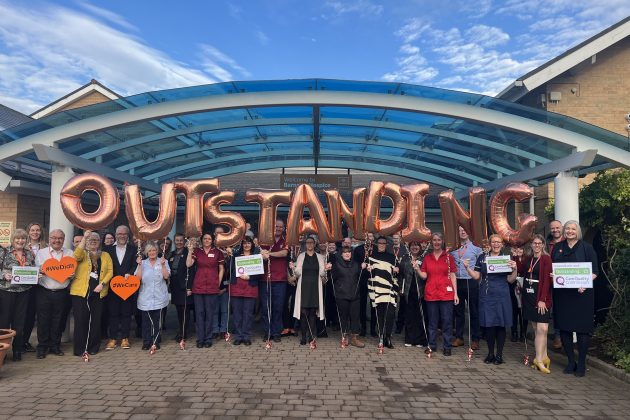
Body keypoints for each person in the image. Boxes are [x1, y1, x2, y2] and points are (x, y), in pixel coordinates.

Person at [551, 220, 599, 377]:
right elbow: (554, 269)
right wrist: (554, 275)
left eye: (573, 229)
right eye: (567, 229)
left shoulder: (587, 248)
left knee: (582, 330)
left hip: (582, 295)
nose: (570, 231)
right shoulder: (558, 248)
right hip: (563, 295)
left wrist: (584, 283)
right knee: (564, 327)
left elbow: (595, 271)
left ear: (577, 231)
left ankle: (582, 363)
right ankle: (571, 362)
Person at [464, 234, 518, 365]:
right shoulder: (482, 258)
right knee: (489, 325)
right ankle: (490, 353)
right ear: (490, 243)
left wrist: (515, 268)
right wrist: (467, 268)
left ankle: (499, 355)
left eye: (498, 242)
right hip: (486, 295)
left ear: (502, 244)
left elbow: (511, 279)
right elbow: (477, 276)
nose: (496, 244)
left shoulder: (507, 259)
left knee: (500, 324)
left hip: (502, 294)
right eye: (493, 242)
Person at [71, 231, 113, 356]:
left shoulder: (105, 255)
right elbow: (75, 257)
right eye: (91, 239)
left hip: (99, 292)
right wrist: (84, 238)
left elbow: (110, 271)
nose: (93, 241)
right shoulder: (82, 254)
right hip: (81, 292)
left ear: (100, 242)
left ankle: (93, 347)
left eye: (96, 240)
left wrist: (103, 284)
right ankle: (80, 348)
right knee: (80, 320)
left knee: (95, 320)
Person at [34, 229, 74, 359]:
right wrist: (41, 270)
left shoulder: (69, 253)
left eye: (60, 238)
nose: (57, 240)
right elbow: (36, 270)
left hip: (62, 292)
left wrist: (71, 275)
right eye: (54, 238)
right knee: (43, 320)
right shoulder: (41, 253)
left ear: (63, 239)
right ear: (49, 239)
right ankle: (42, 347)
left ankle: (55, 346)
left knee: (58, 320)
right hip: (44, 291)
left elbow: (73, 271)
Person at [419, 233, 458, 356]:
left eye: (439, 240)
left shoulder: (448, 257)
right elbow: (424, 275)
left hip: (446, 294)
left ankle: (447, 346)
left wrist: (456, 294)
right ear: (431, 242)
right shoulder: (427, 257)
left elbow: (452, 275)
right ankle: (432, 345)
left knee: (447, 321)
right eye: (434, 240)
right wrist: (417, 269)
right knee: (432, 322)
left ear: (442, 241)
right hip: (431, 293)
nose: (436, 242)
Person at [0, 229, 36, 361]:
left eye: (23, 239)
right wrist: (4, 275)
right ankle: (2, 353)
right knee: (3, 323)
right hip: (6, 292)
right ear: (13, 240)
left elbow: (33, 269)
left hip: (24, 292)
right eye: (17, 239)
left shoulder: (29, 254)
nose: (20, 241)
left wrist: (37, 274)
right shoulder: (4, 252)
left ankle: (17, 350)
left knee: (19, 323)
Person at [186, 232, 225, 348]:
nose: (207, 240)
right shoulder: (197, 251)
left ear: (212, 240)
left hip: (212, 287)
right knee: (199, 313)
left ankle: (208, 338)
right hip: (198, 286)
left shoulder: (217, 252)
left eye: (209, 239)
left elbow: (221, 269)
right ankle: (200, 338)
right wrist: (190, 251)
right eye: (205, 239)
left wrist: (217, 283)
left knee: (209, 313)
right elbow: (188, 264)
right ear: (202, 240)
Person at [103, 225, 138, 350]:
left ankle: (125, 338)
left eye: (124, 234)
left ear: (127, 235)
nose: (122, 236)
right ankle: (112, 339)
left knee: (126, 313)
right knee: (113, 313)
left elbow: (135, 265)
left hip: (128, 287)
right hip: (112, 286)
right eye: (119, 234)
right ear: (116, 235)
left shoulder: (133, 249)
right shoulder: (107, 249)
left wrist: (131, 272)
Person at [522, 234, 553, 373]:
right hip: (529, 295)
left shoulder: (546, 259)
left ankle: (538, 360)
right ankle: (544, 356)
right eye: (534, 243)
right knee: (536, 329)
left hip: (541, 296)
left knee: (543, 329)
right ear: (531, 245)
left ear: (543, 245)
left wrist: (543, 299)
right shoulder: (528, 259)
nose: (537, 245)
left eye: (539, 243)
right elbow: (522, 271)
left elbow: (547, 280)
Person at [451, 226, 482, 350]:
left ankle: (475, 339)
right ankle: (459, 337)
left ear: (469, 232)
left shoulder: (477, 249)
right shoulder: (453, 249)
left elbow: (481, 266)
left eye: (465, 230)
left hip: (471, 281)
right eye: (460, 230)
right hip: (457, 281)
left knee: (474, 311)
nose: (463, 232)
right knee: (458, 311)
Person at [291, 236, 327, 345]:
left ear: (314, 244)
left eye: (311, 242)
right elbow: (297, 273)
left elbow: (322, 273)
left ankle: (311, 336)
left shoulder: (320, 257)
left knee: (312, 312)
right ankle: (303, 336)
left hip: (315, 287)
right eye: (308, 243)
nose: (310, 244)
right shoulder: (301, 256)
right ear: (305, 244)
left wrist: (326, 269)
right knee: (303, 312)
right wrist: (293, 267)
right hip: (304, 287)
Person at [326, 245, 365, 347]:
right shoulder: (336, 265)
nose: (347, 254)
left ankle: (354, 338)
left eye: (349, 252)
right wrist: (328, 269)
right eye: (345, 252)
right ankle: (344, 336)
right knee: (343, 316)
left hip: (355, 294)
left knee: (355, 317)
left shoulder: (357, 264)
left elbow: (361, 277)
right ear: (341, 254)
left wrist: (365, 267)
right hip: (341, 295)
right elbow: (331, 278)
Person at [135, 241, 170, 350]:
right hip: (145, 296)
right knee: (146, 321)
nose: (152, 252)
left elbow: (166, 276)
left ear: (157, 251)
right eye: (150, 250)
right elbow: (137, 279)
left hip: (159, 295)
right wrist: (139, 265)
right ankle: (146, 342)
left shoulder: (163, 261)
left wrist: (163, 265)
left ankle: (155, 341)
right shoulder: (143, 263)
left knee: (157, 321)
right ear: (146, 252)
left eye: (154, 250)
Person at [366, 236, 399, 349]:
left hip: (389, 291)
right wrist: (367, 270)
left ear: (386, 245)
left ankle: (388, 337)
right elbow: (367, 275)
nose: (381, 245)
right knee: (379, 315)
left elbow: (398, 273)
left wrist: (397, 270)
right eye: (379, 243)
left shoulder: (392, 257)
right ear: (376, 244)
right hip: (377, 291)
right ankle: (381, 336)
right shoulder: (371, 257)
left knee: (390, 315)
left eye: (383, 243)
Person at [260, 219, 289, 342]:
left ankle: (277, 332)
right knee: (266, 307)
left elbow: (284, 253)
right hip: (265, 279)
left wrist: (269, 254)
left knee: (278, 307)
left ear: (283, 228)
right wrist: (263, 255)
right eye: (276, 226)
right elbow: (260, 255)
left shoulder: (286, 240)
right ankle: (267, 332)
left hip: (280, 280)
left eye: (280, 227)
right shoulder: (265, 240)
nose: (278, 228)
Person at [229, 236, 262, 346]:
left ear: (252, 244)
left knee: (248, 314)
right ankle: (238, 336)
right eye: (244, 243)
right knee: (237, 314)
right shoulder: (236, 256)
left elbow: (259, 273)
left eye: (248, 243)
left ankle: (246, 336)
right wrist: (229, 255)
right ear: (241, 245)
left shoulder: (256, 256)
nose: (246, 245)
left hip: (250, 287)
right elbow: (230, 269)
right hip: (236, 287)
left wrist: (250, 278)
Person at [22, 222, 46, 353]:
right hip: (28, 286)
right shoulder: (23, 247)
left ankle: (42, 342)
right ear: (28, 232)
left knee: (40, 314)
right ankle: (23, 341)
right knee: (28, 315)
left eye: (38, 230)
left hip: (42, 285)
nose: (35, 232)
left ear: (41, 232)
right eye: (32, 230)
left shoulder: (46, 247)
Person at [399, 241, 428, 348]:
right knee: (409, 316)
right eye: (413, 246)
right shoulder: (405, 258)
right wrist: (400, 288)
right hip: (408, 291)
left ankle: (420, 340)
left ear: (420, 247)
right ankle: (410, 339)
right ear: (409, 247)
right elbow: (401, 274)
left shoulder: (424, 258)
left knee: (420, 316)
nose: (415, 247)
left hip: (421, 291)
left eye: (417, 245)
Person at [169, 233, 194, 342]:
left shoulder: (188, 253)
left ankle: (183, 333)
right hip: (175, 286)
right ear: (174, 241)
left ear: (184, 242)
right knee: (179, 310)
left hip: (185, 286)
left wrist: (189, 287)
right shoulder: (172, 254)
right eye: (177, 240)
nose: (179, 242)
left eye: (180, 240)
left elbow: (192, 271)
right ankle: (180, 330)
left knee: (185, 310)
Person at [353, 232, 375, 336]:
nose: (368, 238)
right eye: (367, 236)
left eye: (370, 236)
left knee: (374, 304)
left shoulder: (376, 249)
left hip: (374, 279)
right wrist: (359, 266)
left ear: (373, 238)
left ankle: (373, 329)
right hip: (361, 279)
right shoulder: (358, 249)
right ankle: (362, 328)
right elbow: (354, 263)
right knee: (361, 304)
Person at [548, 219, 564, 350]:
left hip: (565, 281)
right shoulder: (548, 244)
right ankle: (557, 336)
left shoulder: (567, 243)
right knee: (554, 309)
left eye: (557, 228)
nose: (555, 230)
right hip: (550, 280)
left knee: (563, 307)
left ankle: (563, 335)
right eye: (553, 228)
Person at [212, 226, 229, 340]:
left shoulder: (229, 249)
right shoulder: (209, 248)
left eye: (221, 233)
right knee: (214, 310)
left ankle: (223, 329)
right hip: (211, 286)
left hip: (225, 285)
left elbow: (231, 270)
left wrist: (226, 287)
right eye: (217, 232)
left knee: (224, 310)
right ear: (214, 234)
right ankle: (214, 330)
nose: (219, 234)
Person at [509, 246, 527, 342]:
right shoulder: (511, 259)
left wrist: (516, 258)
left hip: (523, 285)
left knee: (523, 311)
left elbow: (521, 269)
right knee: (514, 310)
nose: (518, 251)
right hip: (513, 285)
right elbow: (513, 269)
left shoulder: (527, 259)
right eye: (516, 249)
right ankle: (514, 332)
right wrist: (514, 257)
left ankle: (523, 333)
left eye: (520, 249)